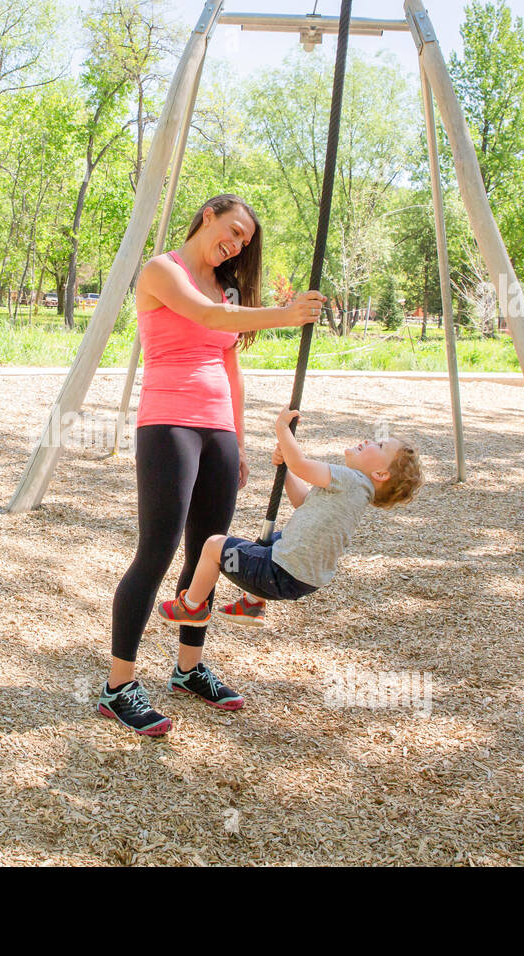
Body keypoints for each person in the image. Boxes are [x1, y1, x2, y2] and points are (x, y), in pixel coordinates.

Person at [98, 194, 327, 737]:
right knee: (156, 550)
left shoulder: (227, 289)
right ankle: (118, 685)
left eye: (245, 240)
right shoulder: (162, 270)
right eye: (233, 230)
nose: (237, 243)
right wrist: (286, 315)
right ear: (208, 216)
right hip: (168, 424)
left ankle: (188, 668)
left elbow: (231, 367)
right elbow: (205, 316)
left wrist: (241, 441)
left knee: (210, 550)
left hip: (217, 430)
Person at [158, 406, 423, 630]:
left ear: (380, 474)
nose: (369, 440)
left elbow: (301, 464)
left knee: (214, 546)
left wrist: (283, 430)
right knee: (270, 539)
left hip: (277, 572)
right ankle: (251, 605)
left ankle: (192, 606)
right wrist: (285, 471)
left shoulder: (350, 480)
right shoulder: (356, 493)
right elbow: (303, 502)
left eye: (379, 445)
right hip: (301, 580)